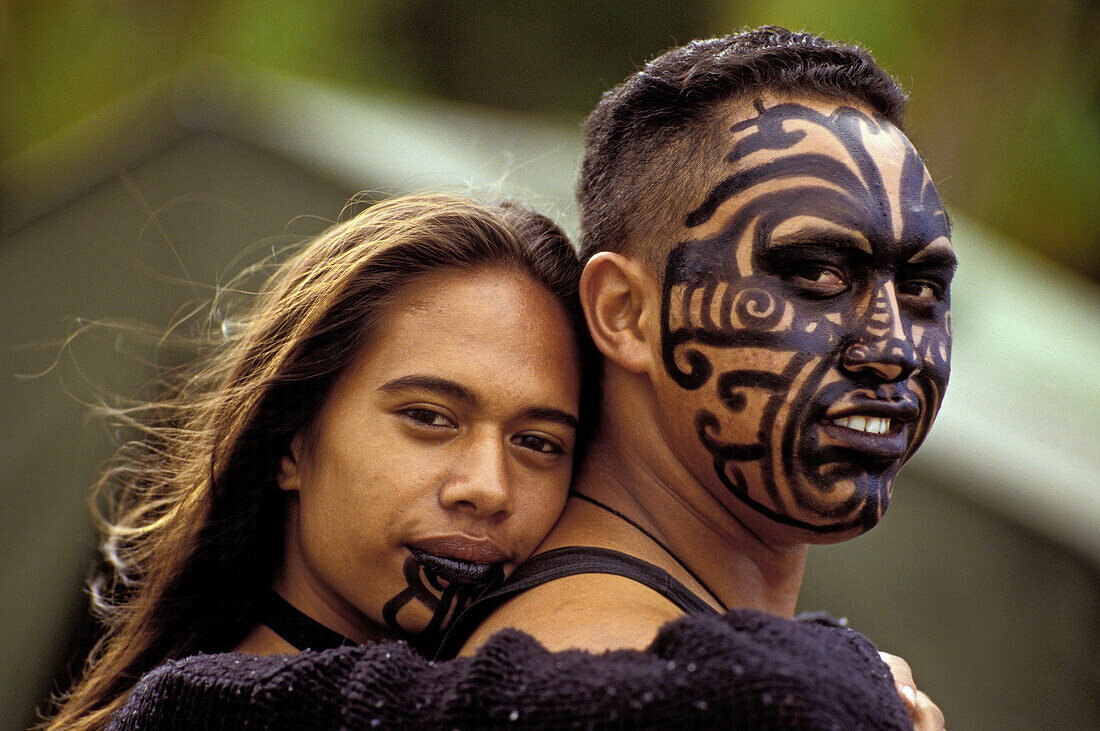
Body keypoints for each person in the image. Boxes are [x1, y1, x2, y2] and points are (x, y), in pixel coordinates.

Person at [443, 25, 952, 728]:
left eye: (923, 289)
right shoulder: (631, 685)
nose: (894, 348)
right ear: (625, 313)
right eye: (817, 274)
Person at [45, 193, 598, 730]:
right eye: (429, 417)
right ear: (291, 439)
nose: (489, 488)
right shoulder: (210, 710)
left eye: (539, 443)